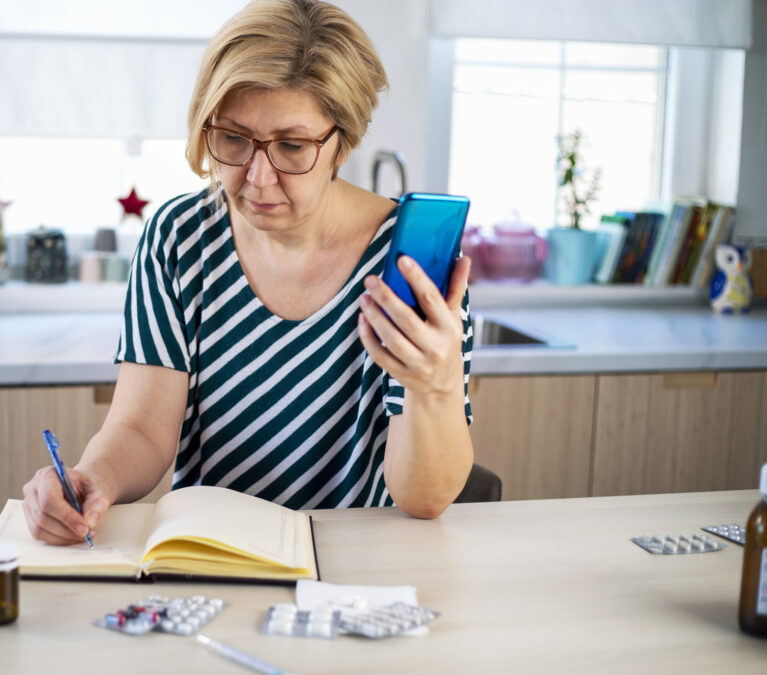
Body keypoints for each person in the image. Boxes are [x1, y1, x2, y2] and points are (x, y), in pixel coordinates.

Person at [23, 0, 474, 545]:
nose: (258, 177)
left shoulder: (407, 264)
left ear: (345, 142)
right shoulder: (178, 237)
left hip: (358, 564)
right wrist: (94, 477)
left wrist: (436, 386)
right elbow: (140, 429)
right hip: (212, 554)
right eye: (234, 138)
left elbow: (424, 499)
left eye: (292, 146)